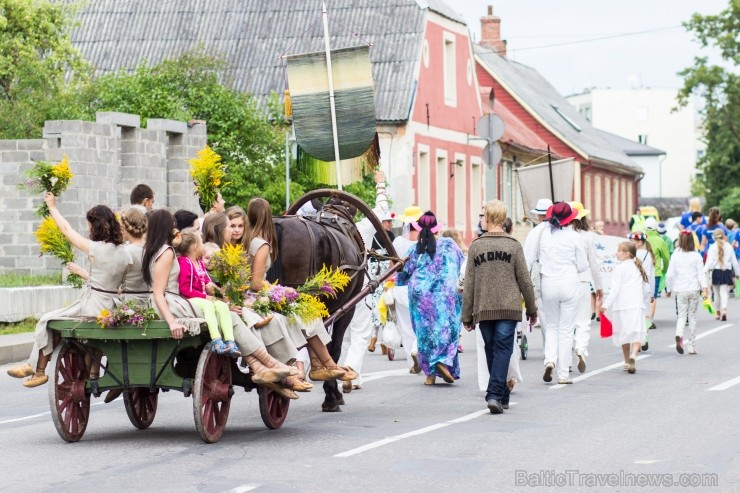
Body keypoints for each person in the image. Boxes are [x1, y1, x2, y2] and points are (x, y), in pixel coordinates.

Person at [142, 210, 298, 395]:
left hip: (175, 301)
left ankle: (262, 366)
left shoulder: (154, 249)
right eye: (173, 225)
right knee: (230, 316)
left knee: (227, 313)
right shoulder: (167, 252)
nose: (176, 229)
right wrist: (172, 322)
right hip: (174, 304)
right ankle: (265, 363)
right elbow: (159, 292)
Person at [7, 193, 129, 387]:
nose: (88, 228)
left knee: (47, 320)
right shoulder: (125, 252)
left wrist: (53, 207)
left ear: (95, 225)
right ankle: (38, 368)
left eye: (89, 224)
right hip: (114, 307)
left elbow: (65, 229)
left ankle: (36, 369)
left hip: (93, 305)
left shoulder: (95, 248)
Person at [245, 197, 354, 387]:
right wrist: (280, 289)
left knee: (304, 310)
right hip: (256, 295)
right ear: (267, 216)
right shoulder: (261, 244)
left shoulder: (246, 240)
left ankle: (321, 363)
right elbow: (256, 283)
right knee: (307, 312)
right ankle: (326, 363)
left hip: (248, 294)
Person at [462, 201, 536, 413]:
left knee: (492, 350)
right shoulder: (513, 245)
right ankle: (501, 394)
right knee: (502, 349)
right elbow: (524, 280)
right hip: (508, 307)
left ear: (489, 219)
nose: (481, 220)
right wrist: (531, 309)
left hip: (484, 307)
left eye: (483, 216)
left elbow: (469, 283)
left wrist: (466, 315)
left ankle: (494, 394)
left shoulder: (476, 246)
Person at [395, 211, 463, 386]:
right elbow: (460, 262)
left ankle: (429, 376)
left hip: (420, 296)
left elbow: (401, 276)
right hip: (444, 296)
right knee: (448, 329)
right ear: (437, 230)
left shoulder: (414, 249)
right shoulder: (449, 245)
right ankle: (441, 360)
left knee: (424, 334)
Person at [340, 170, 390, 391]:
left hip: (337, 287)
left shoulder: (330, 230)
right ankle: (350, 369)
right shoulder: (362, 228)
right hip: (359, 285)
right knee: (360, 332)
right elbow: (381, 212)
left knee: (346, 334)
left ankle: (351, 373)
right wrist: (380, 186)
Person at [538, 202, 588, 385]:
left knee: (551, 326)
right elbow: (583, 266)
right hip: (569, 282)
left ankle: (550, 359)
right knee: (567, 329)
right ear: (570, 219)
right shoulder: (575, 237)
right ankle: (563, 374)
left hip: (548, 282)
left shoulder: (544, 236)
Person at [174, 228, 241, 356]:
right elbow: (185, 289)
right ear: (195, 246)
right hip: (189, 298)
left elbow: (206, 280)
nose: (203, 245)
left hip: (202, 297)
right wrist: (205, 296)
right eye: (201, 243)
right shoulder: (184, 262)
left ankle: (230, 341)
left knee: (222, 306)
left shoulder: (199, 262)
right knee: (209, 305)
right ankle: (216, 340)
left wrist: (220, 294)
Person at [600, 241, 652, 374]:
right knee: (636, 332)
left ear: (627, 254)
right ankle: (634, 355)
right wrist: (646, 299)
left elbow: (615, 289)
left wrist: (606, 305)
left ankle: (627, 360)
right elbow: (646, 288)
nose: (617, 252)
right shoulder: (638, 267)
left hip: (622, 306)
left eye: (619, 250)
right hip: (637, 305)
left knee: (624, 334)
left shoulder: (619, 268)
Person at [569, 201, 603, 374]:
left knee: (566, 322)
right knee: (583, 321)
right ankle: (581, 350)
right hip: (583, 282)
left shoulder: (564, 235)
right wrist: (599, 287)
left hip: (565, 281)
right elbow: (594, 265)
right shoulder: (588, 237)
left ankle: (565, 360)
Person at [389, 205, 423, 373]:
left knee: (405, 326)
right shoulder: (422, 243)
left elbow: (392, 266)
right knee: (421, 323)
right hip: (418, 288)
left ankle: (411, 361)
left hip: (400, 287)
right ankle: (421, 355)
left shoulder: (398, 242)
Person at [665, 231, 708, 355]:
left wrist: (668, 289)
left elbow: (669, 275)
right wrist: (704, 288)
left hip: (680, 290)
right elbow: (701, 274)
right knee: (692, 316)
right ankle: (691, 345)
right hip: (694, 289)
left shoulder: (675, 256)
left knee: (682, 316)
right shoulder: (697, 256)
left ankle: (679, 334)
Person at [523, 198, 553, 339]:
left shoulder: (535, 233)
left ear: (540, 216)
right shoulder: (560, 230)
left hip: (541, 276)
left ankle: (550, 348)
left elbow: (527, 259)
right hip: (561, 276)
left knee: (545, 314)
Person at [442, 228, 468, 353]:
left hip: (444, 288)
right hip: (459, 288)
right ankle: (456, 341)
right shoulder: (462, 252)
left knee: (447, 314)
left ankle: (448, 340)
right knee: (458, 314)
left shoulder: (441, 252)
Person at [705, 229, 740, 321]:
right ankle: (724, 309)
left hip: (715, 272)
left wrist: (704, 272)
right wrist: (737, 274)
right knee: (724, 292)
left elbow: (709, 262)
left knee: (716, 294)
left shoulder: (712, 247)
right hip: (726, 271)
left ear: (714, 237)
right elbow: (734, 262)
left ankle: (717, 313)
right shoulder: (728, 246)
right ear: (724, 236)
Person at [627, 232, 656, 338]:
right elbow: (651, 276)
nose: (630, 243)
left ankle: (636, 337)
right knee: (646, 314)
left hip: (634, 287)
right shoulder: (649, 255)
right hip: (646, 288)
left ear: (639, 242)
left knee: (634, 312)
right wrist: (652, 293)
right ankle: (645, 337)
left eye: (632, 241)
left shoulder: (631, 255)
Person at [645, 217, 670, 324]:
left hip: (641, 272)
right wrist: (664, 269)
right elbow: (666, 258)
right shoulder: (660, 240)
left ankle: (643, 318)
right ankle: (650, 319)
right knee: (652, 296)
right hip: (656, 272)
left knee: (642, 295)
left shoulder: (641, 239)